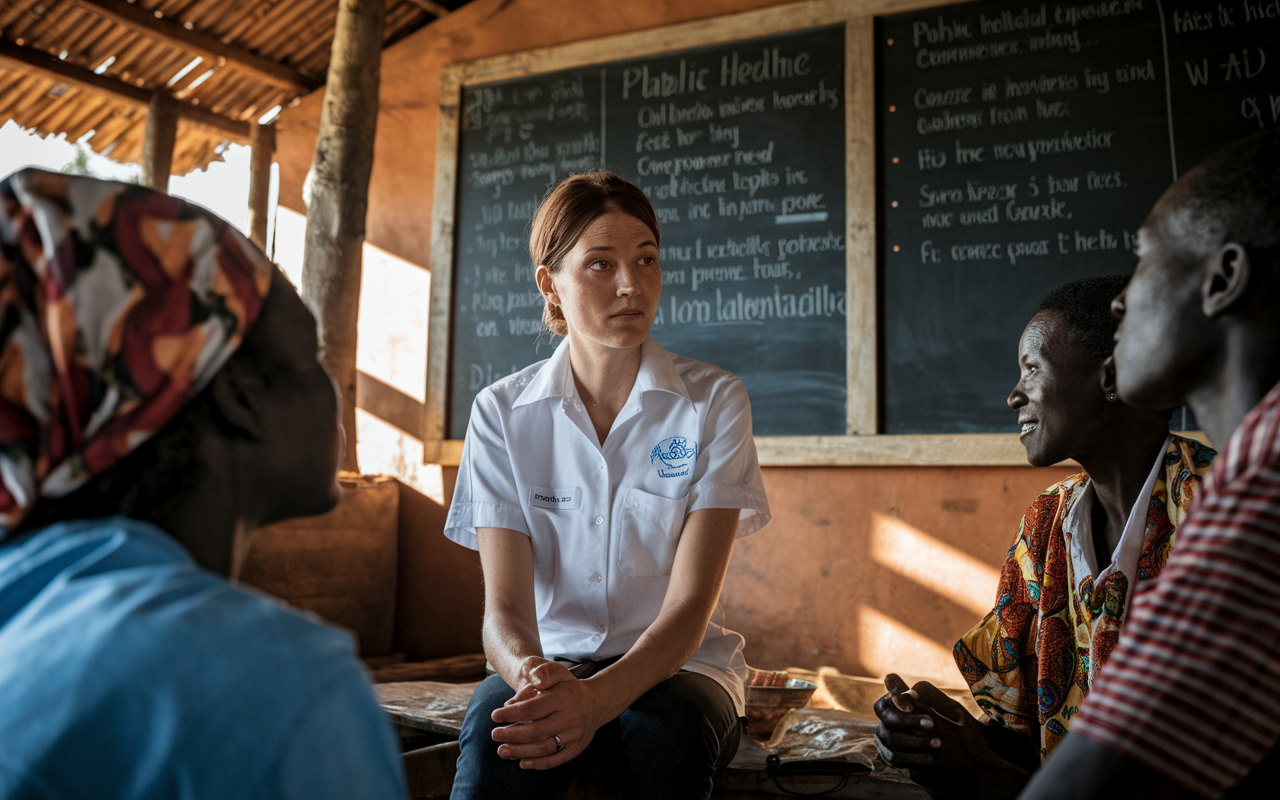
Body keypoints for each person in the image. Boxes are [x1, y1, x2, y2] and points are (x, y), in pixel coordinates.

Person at [0, 169, 406, 798]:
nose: (335, 392)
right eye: (312, 358)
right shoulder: (272, 685)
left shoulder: (20, 612)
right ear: (241, 397)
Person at [444, 170, 770, 800]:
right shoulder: (501, 413)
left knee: (666, 735)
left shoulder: (711, 401)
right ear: (551, 285)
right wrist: (534, 676)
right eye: (600, 264)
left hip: (680, 669)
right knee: (497, 743)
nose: (631, 284)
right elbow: (504, 615)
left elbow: (688, 610)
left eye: (646, 260)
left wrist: (594, 702)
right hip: (548, 664)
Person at [873, 276, 1214, 799]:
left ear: (1111, 378)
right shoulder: (1047, 521)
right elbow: (1022, 737)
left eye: (1032, 368)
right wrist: (944, 736)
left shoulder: (1217, 507)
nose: (1013, 396)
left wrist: (984, 778)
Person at [1017, 132, 1280, 800]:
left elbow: (1109, 774)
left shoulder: (1266, 474)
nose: (1119, 301)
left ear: (1222, 280)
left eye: (1142, 262)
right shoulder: (1250, 462)